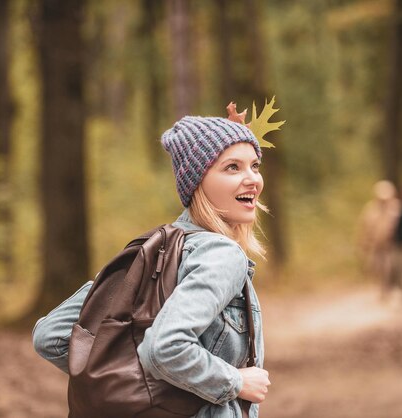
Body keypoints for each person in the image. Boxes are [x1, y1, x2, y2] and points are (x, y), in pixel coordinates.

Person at [33, 115, 271, 417]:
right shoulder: (222, 254)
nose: (253, 179)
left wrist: (128, 384)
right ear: (197, 181)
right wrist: (235, 381)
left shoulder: (151, 250)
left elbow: (50, 335)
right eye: (232, 167)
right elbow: (164, 348)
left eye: (255, 165)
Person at [356, 180, 402, 300]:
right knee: (378, 270)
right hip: (376, 246)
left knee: (391, 268)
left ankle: (392, 290)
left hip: (393, 245)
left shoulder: (397, 208)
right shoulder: (370, 209)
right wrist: (364, 243)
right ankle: (384, 291)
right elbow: (364, 227)